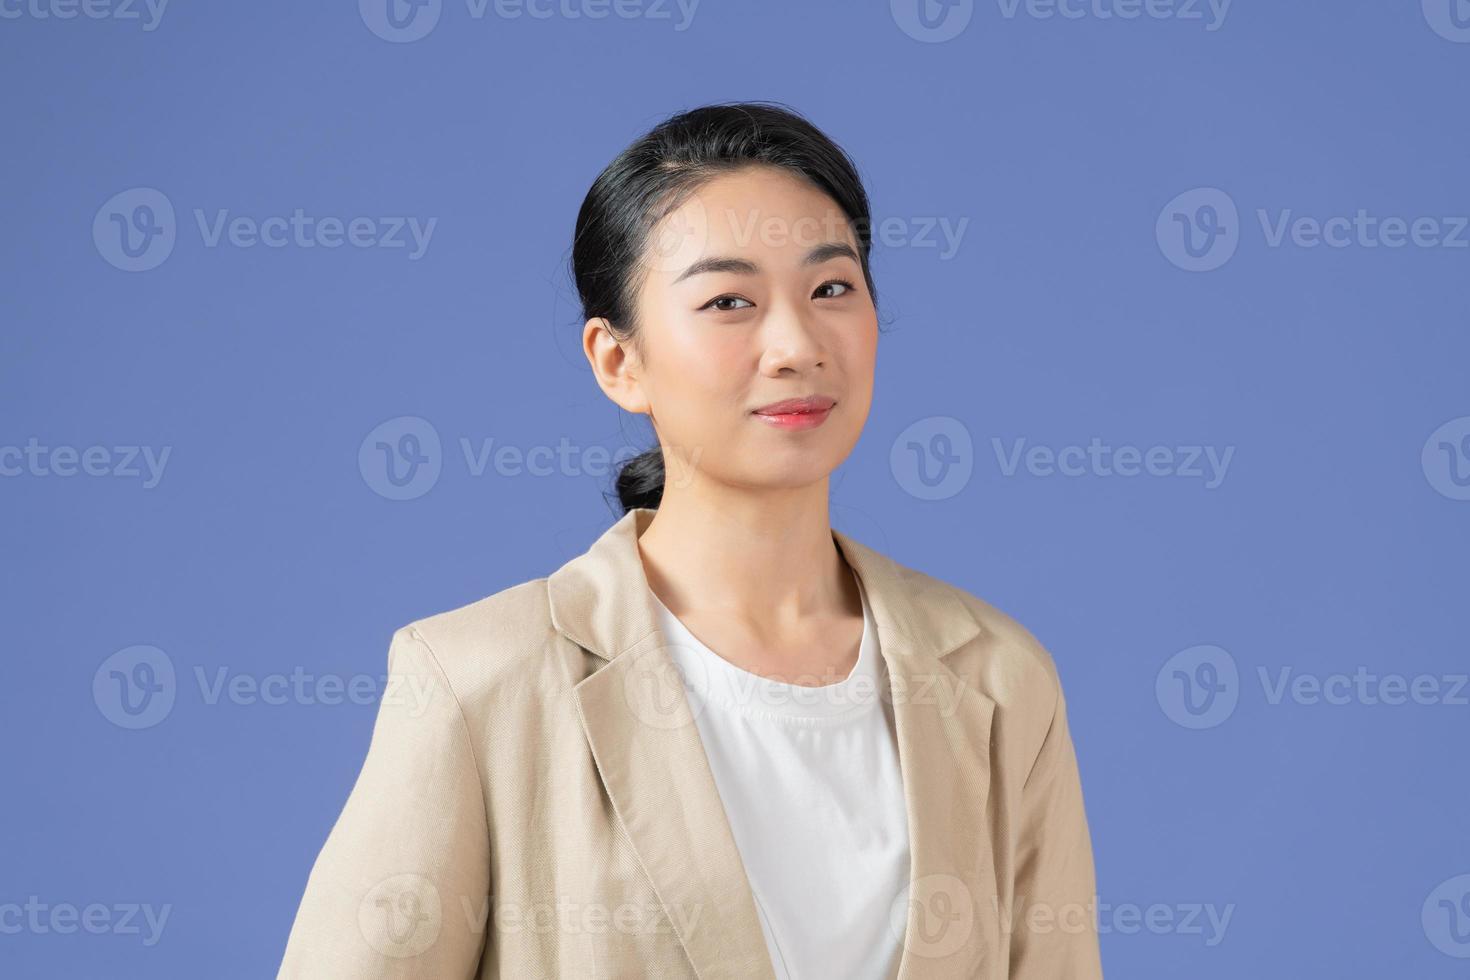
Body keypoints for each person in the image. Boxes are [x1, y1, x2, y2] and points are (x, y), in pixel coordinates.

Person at [278, 101, 1104, 979]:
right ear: (617, 362)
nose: (794, 343)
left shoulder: (1001, 680)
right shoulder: (480, 683)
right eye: (728, 301)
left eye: (831, 288)